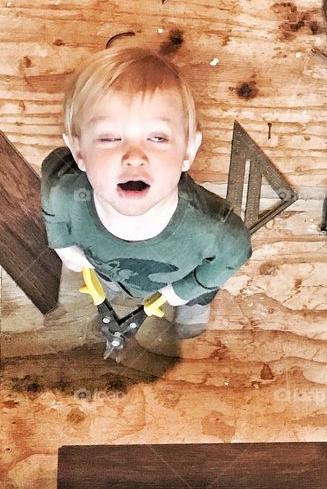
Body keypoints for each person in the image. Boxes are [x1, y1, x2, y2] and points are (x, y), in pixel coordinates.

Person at [40, 46, 251, 339]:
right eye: (110, 137)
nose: (134, 156)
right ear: (79, 152)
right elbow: (51, 174)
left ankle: (194, 302)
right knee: (112, 283)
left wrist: (185, 290)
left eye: (157, 137)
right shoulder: (66, 194)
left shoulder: (212, 229)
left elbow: (235, 251)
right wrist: (61, 243)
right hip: (108, 270)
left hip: (182, 278)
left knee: (199, 294)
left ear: (188, 150)